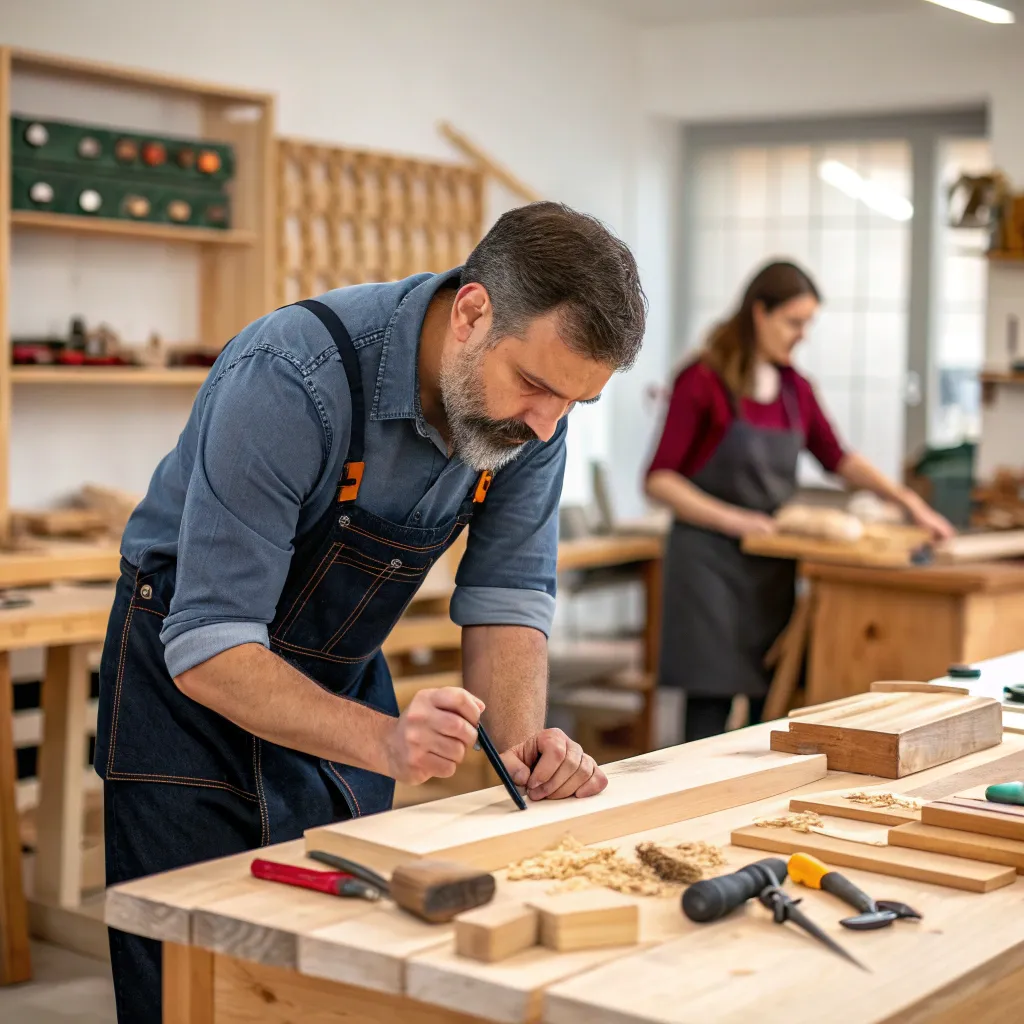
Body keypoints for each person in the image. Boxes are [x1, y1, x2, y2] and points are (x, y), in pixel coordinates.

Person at [94, 201, 647, 1022]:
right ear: (471, 314)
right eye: (535, 385)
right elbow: (210, 643)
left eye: (574, 403)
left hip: (336, 678)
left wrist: (523, 756)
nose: (547, 424)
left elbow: (507, 600)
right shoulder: (291, 378)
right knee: (192, 984)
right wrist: (386, 741)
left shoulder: (533, 422)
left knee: (330, 986)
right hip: (189, 697)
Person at [645, 260, 953, 744]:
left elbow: (839, 458)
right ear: (759, 313)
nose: (802, 335)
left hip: (770, 568)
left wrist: (908, 502)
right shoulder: (702, 380)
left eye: (808, 323)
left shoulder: (796, 390)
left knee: (768, 704)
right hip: (708, 565)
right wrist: (733, 519)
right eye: (794, 322)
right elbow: (660, 479)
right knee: (709, 706)